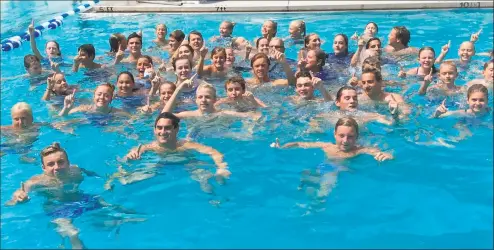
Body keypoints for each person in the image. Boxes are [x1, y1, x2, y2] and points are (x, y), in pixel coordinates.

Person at [6, 142, 137, 249]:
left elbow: (96, 175)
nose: (57, 167)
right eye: (50, 164)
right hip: (57, 208)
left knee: (114, 208)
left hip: (80, 199)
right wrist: (19, 199)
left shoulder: (76, 170)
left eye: (60, 162)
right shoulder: (37, 182)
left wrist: (109, 181)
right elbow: (16, 196)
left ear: (68, 162)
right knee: (73, 233)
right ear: (43, 167)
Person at [105, 112, 231, 191]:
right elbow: (131, 154)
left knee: (207, 182)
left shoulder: (184, 145)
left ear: (176, 130)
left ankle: (216, 201)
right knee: (127, 181)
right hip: (160, 165)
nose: (162, 132)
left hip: (186, 163)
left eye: (167, 128)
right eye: (159, 128)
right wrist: (129, 157)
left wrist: (221, 167)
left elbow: (214, 152)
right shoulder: (149, 147)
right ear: (154, 130)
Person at [272, 117, 393, 199]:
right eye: (341, 136)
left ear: (357, 137)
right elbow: (300, 144)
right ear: (334, 134)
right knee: (307, 174)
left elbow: (381, 152)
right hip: (324, 168)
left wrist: (387, 155)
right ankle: (308, 198)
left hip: (340, 170)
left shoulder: (360, 150)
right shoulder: (327, 146)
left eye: (350, 136)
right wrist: (282, 147)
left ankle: (319, 201)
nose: (345, 141)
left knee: (329, 176)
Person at [162, 76, 261, 120]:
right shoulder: (189, 115)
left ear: (215, 100)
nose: (203, 100)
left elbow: (253, 114)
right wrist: (178, 89)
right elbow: (164, 115)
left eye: (207, 97)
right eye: (200, 97)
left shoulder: (223, 114)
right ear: (196, 100)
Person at [309, 86, 394, 131]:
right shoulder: (329, 116)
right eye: (347, 98)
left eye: (355, 98)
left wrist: (395, 114)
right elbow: (315, 120)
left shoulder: (367, 116)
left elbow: (391, 124)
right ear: (337, 102)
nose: (352, 101)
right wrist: (314, 128)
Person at [59, 83, 131, 119]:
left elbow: (133, 119)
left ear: (111, 99)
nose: (102, 97)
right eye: (99, 94)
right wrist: (66, 108)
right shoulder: (84, 109)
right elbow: (62, 118)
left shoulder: (116, 112)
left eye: (106, 96)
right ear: (94, 97)